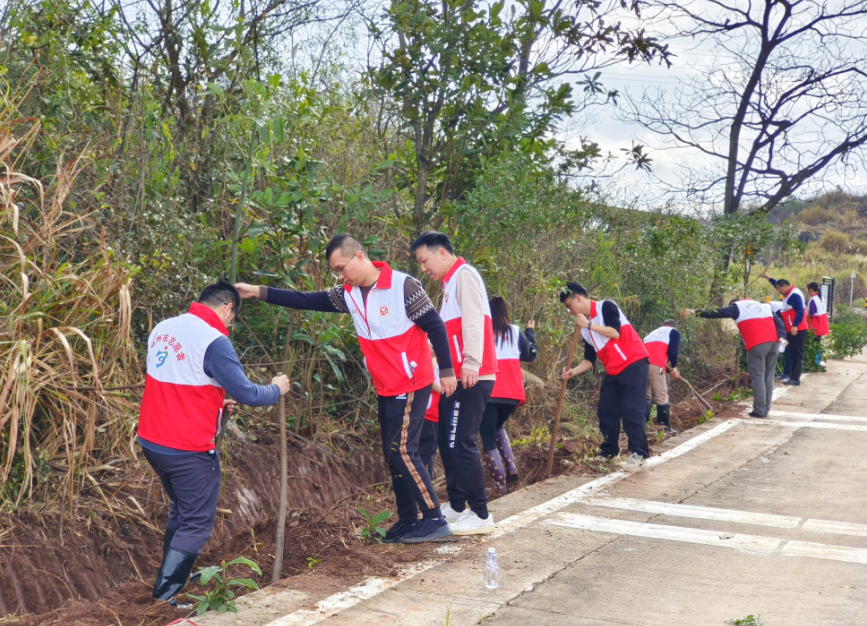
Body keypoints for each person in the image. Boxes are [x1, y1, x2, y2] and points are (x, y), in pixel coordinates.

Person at [236, 234, 457, 544]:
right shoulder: (348, 294)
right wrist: (258, 292)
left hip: (411, 382)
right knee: (392, 455)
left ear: (360, 258)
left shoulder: (403, 286)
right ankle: (408, 520)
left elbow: (435, 325)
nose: (340, 275)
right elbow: (305, 299)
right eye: (336, 272)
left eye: (341, 268)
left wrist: (446, 370)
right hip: (385, 386)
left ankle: (433, 518)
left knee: (404, 450)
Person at [138, 281, 291, 605]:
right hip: (187, 448)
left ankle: (169, 582)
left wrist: (216, 403)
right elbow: (248, 393)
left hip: (152, 441)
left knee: (182, 510)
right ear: (227, 309)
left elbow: (177, 381)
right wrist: (276, 388)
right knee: (196, 521)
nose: (230, 326)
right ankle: (165, 598)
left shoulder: (163, 329)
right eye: (232, 320)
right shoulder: (214, 340)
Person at [411, 231, 498, 535]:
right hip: (455, 378)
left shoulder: (464, 275)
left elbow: (474, 320)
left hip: (472, 374)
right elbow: (447, 335)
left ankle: (481, 512)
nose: (423, 268)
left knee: (461, 441)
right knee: (448, 444)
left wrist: (472, 361)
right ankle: (458, 504)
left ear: (442, 254)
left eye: (425, 260)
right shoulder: (448, 286)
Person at [559, 283, 651, 471]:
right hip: (614, 369)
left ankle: (639, 453)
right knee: (606, 410)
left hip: (634, 361)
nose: (570, 311)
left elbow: (614, 332)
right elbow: (589, 360)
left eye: (569, 306)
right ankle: (610, 452)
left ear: (578, 298)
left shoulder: (606, 306)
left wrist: (590, 325)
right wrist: (573, 371)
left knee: (631, 409)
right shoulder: (584, 330)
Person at [682, 298, 785, 417]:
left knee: (758, 377)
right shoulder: (763, 306)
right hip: (774, 343)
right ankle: (765, 410)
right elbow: (779, 321)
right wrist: (782, 336)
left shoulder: (737, 307)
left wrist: (694, 312)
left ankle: (759, 410)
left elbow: (717, 312)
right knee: (769, 376)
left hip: (757, 344)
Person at [479, 297, 537, 494]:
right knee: (497, 426)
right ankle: (510, 467)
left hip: (490, 391)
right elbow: (530, 355)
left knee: (487, 437)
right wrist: (530, 333)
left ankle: (500, 484)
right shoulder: (514, 331)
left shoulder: (483, 332)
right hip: (512, 393)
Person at [760, 273, 807, 385]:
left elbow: (800, 311)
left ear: (785, 286)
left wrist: (795, 325)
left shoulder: (794, 295)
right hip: (791, 328)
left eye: (779, 289)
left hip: (797, 329)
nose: (779, 292)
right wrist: (769, 278)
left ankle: (795, 379)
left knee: (796, 353)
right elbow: (778, 283)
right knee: (790, 352)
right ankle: (791, 376)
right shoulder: (789, 292)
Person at [643, 319, 681, 434]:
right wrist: (674, 368)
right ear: (674, 327)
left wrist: (670, 371)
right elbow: (673, 353)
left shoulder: (651, 335)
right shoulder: (674, 332)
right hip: (655, 366)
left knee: (645, 395)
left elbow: (657, 356)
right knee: (662, 397)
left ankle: (642, 425)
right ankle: (664, 427)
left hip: (640, 365)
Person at [419, 342, 441, 480]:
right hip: (426, 412)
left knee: (428, 450)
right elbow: (428, 379)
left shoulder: (440, 361)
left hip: (435, 413)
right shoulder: (426, 359)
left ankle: (426, 482)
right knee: (423, 449)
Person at [806, 282, 830, 365]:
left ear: (811, 289)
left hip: (815, 325)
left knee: (814, 343)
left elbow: (811, 313)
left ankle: (814, 361)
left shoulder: (813, 299)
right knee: (818, 343)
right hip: (821, 323)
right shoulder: (821, 297)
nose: (807, 291)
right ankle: (817, 360)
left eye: (808, 289)